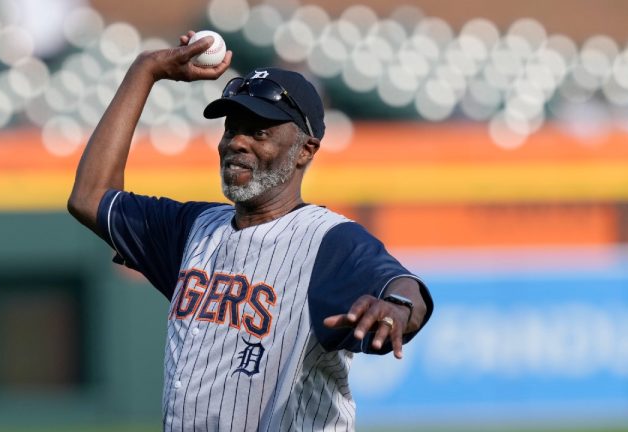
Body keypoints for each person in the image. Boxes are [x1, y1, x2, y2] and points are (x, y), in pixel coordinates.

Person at [68, 31, 433, 431]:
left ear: (306, 150)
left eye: (259, 131)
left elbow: (403, 287)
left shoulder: (329, 241)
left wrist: (397, 307)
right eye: (231, 129)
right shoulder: (193, 230)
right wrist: (145, 70)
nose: (237, 142)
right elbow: (90, 196)